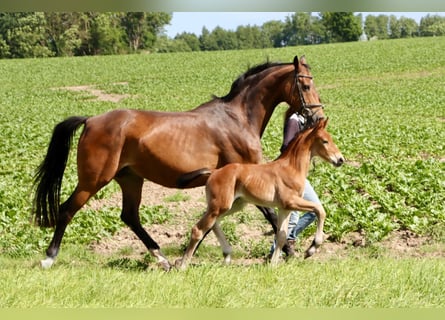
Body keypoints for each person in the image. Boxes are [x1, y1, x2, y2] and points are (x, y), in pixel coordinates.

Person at [269, 111, 323, 257]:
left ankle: (287, 241)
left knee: (308, 211)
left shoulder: (305, 122)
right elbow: (286, 146)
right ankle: (276, 251)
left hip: (298, 175)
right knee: (297, 215)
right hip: (290, 175)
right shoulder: (294, 121)